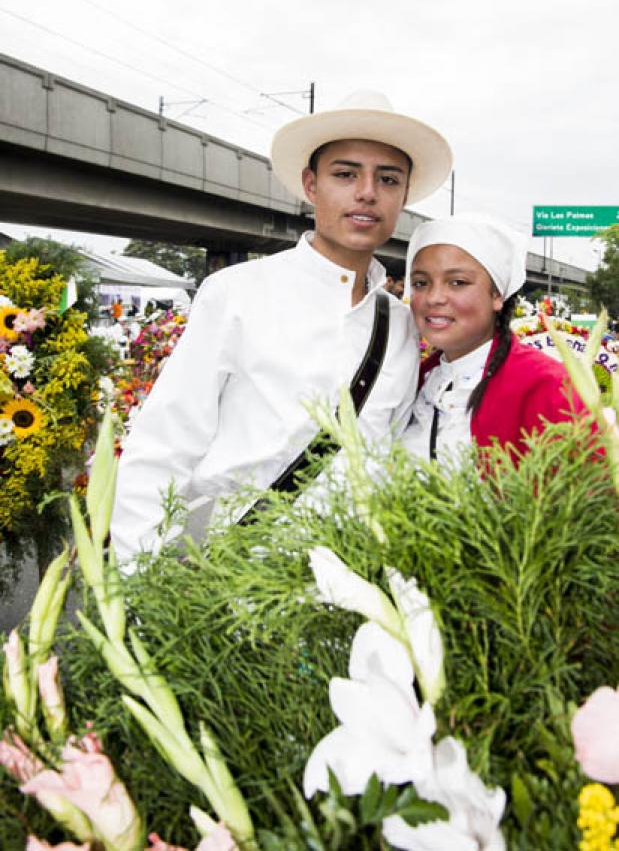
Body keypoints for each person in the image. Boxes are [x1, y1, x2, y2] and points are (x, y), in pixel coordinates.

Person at [110, 90, 453, 566]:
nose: (367, 192)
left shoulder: (399, 322)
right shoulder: (236, 293)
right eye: (345, 174)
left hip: (350, 596)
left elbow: (390, 461)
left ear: (404, 195)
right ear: (311, 185)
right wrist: (137, 588)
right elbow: (162, 448)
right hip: (233, 586)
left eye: (388, 179)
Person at [401, 213, 588, 467]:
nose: (434, 298)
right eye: (420, 283)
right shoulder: (416, 378)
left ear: (497, 295)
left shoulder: (546, 385)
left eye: (457, 282)